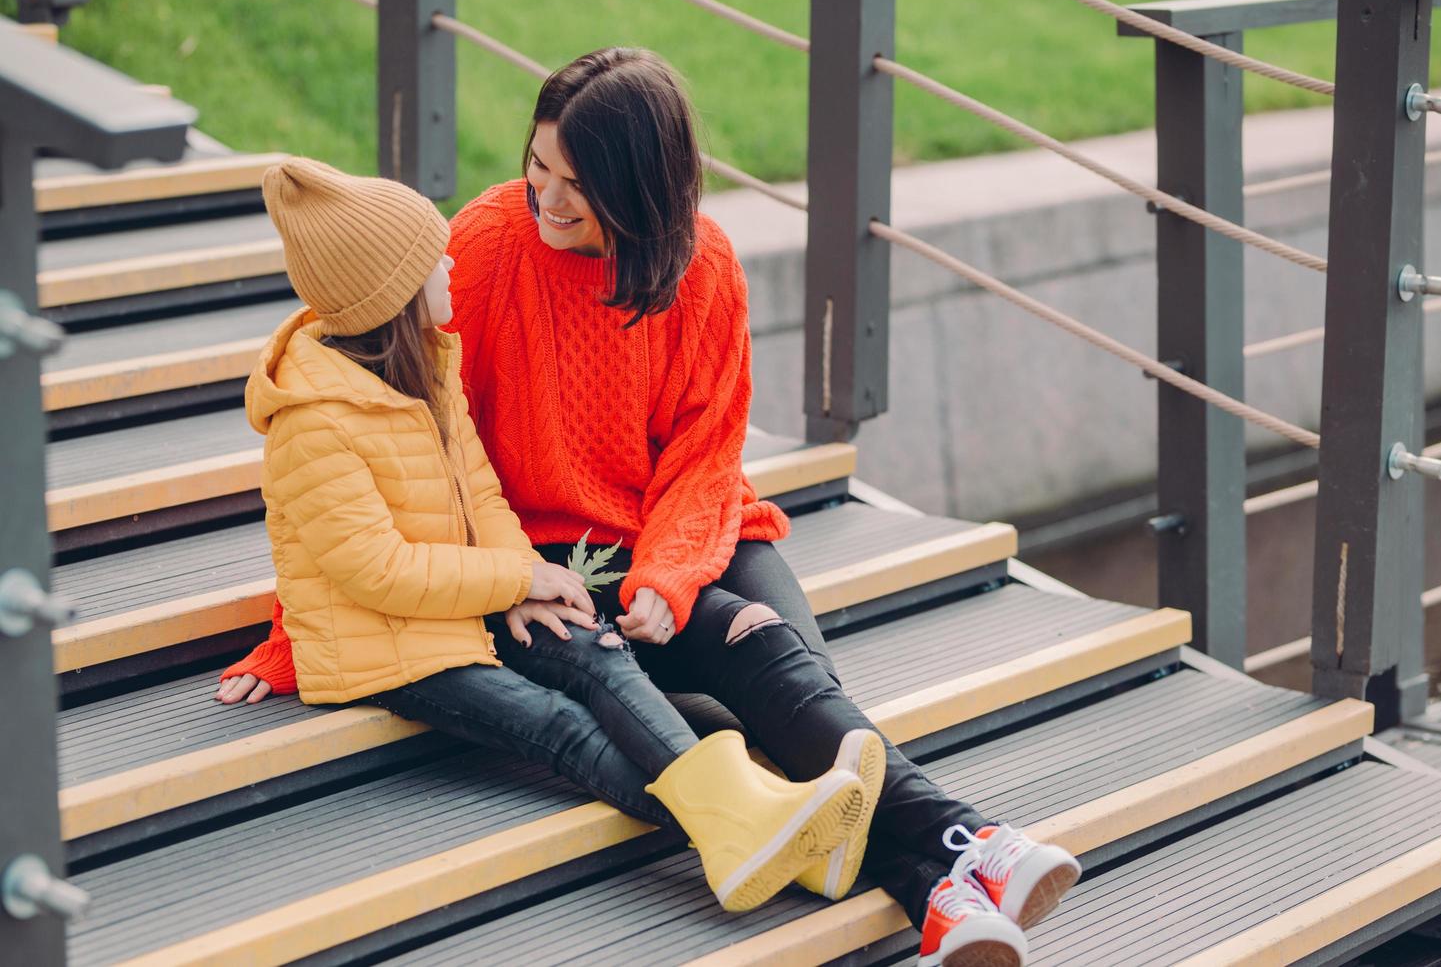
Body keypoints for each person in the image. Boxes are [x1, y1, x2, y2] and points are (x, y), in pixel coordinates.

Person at [225, 50, 1081, 964]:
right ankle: (957, 857)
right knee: (748, 715)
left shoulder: (702, 264)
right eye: (536, 167)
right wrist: (300, 628)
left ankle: (949, 877)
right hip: (553, 554)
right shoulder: (479, 247)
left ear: (639, 188)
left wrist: (670, 575)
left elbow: (710, 447)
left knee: (780, 673)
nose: (546, 200)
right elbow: (400, 441)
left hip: (684, 524)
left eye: (577, 184)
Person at [215, 155, 879, 914]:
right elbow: (373, 569)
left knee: (601, 652)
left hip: (459, 610)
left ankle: (776, 834)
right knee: (564, 727)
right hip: (392, 653)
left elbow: (483, 495)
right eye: (433, 258)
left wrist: (528, 576)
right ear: (390, 294)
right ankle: (761, 840)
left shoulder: (428, 369)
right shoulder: (312, 421)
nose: (450, 261)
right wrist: (515, 581)